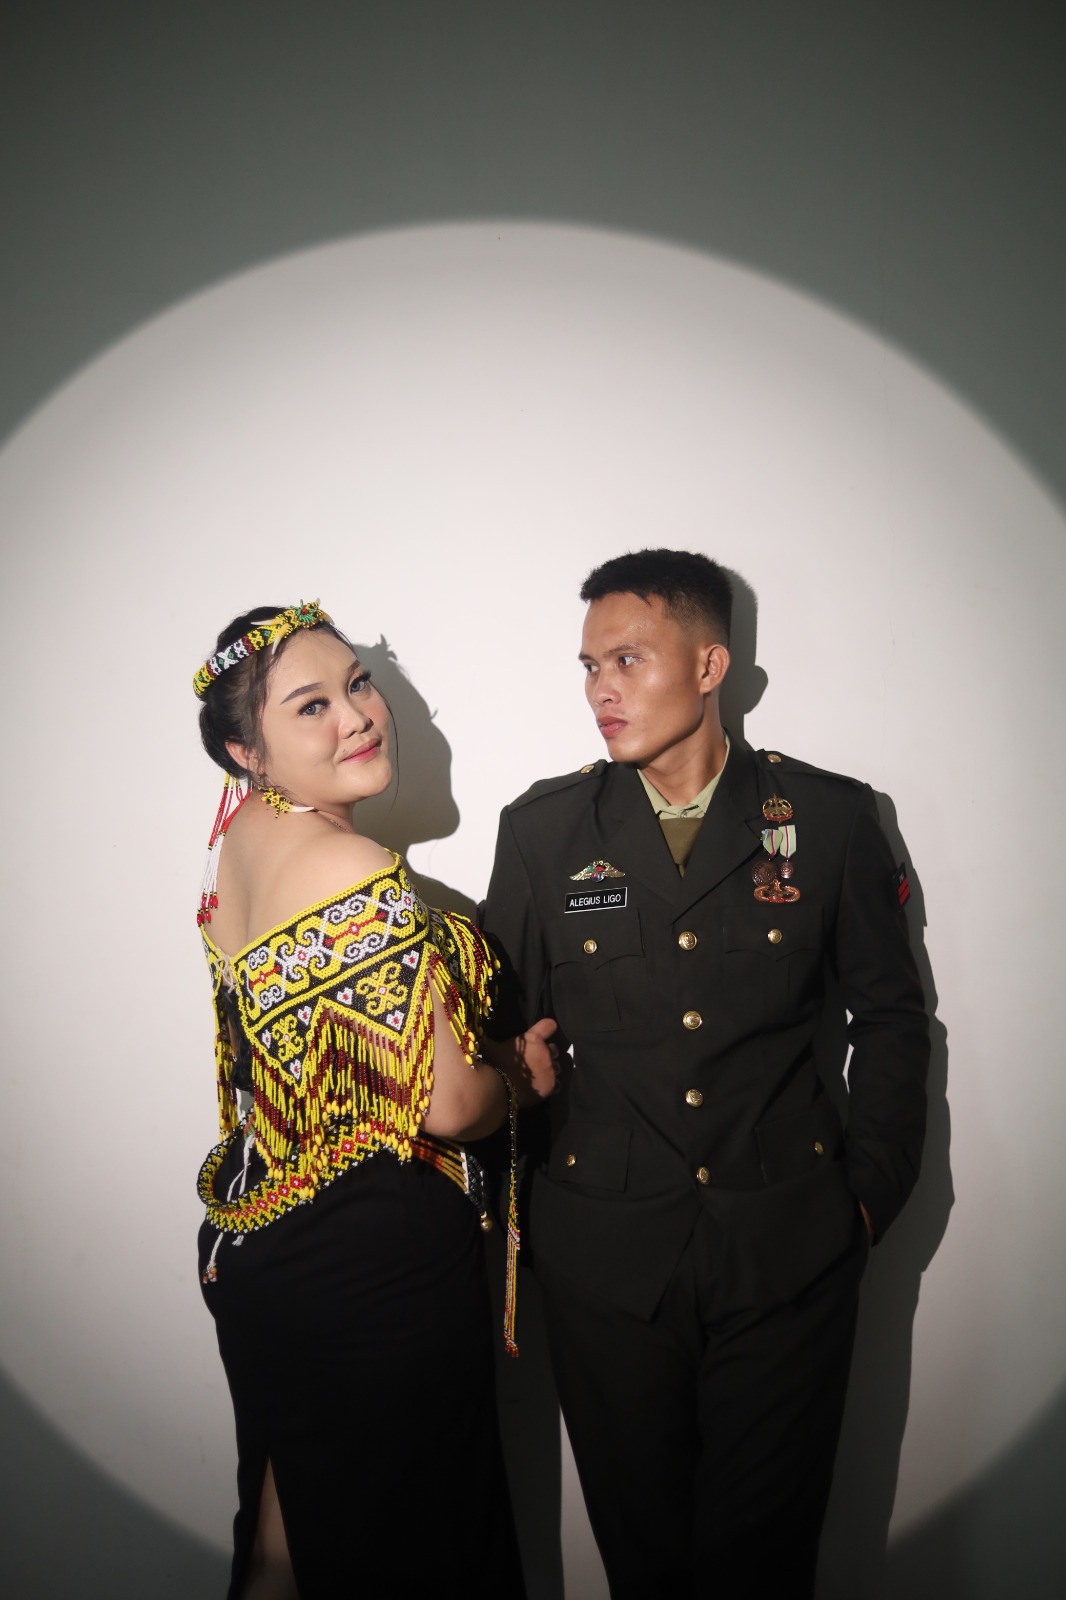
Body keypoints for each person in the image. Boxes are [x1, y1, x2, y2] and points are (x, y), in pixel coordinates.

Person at [481, 550, 930, 1599]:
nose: (601, 689)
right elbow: (504, 1038)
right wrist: (531, 1222)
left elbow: (892, 1018)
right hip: (606, 1266)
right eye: (588, 666)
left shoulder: (828, 820)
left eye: (628, 660)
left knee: (761, 1567)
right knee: (646, 1565)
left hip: (787, 1249)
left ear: (709, 665)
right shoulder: (544, 832)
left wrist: (867, 1197)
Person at [192, 602, 553, 1600]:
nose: (357, 716)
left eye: (358, 684)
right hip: (372, 1260)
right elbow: (448, 1106)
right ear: (246, 751)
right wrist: (520, 1075)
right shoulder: (351, 866)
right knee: (420, 1549)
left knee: (287, 1535)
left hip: (259, 1247)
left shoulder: (238, 851)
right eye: (311, 705)